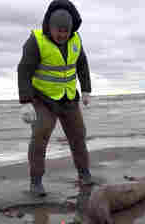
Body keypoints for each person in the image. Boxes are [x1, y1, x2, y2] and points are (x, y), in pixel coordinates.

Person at [17, 0, 93, 197]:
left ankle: (84, 174)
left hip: (68, 99)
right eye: (58, 31)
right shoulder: (36, 41)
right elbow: (24, 70)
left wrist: (86, 89)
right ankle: (36, 182)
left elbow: (82, 65)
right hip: (43, 100)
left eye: (65, 31)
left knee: (78, 135)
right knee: (40, 137)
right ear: (49, 27)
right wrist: (25, 101)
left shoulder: (76, 40)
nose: (62, 35)